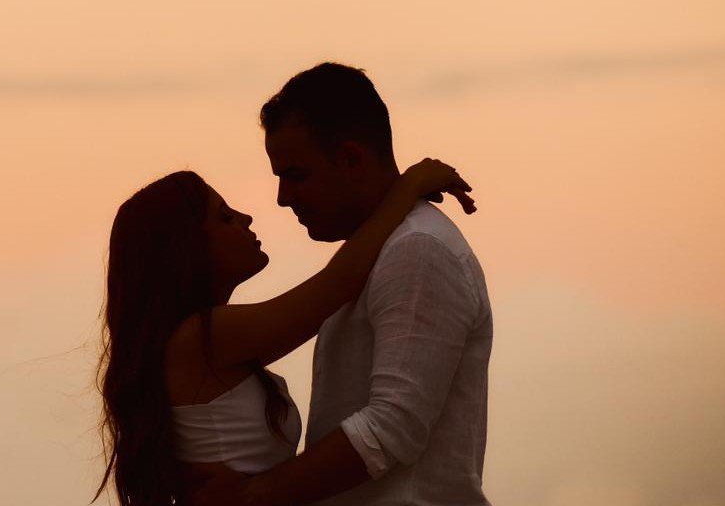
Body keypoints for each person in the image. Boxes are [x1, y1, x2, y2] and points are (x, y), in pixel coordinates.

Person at [93, 134, 477, 503]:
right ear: (186, 249)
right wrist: (408, 187)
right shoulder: (205, 337)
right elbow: (337, 284)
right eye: (225, 218)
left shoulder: (205, 342)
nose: (245, 217)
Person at [194, 62, 494, 506]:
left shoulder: (417, 248)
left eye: (295, 175)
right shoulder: (375, 255)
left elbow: (392, 427)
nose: (282, 198)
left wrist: (249, 496)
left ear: (351, 159)